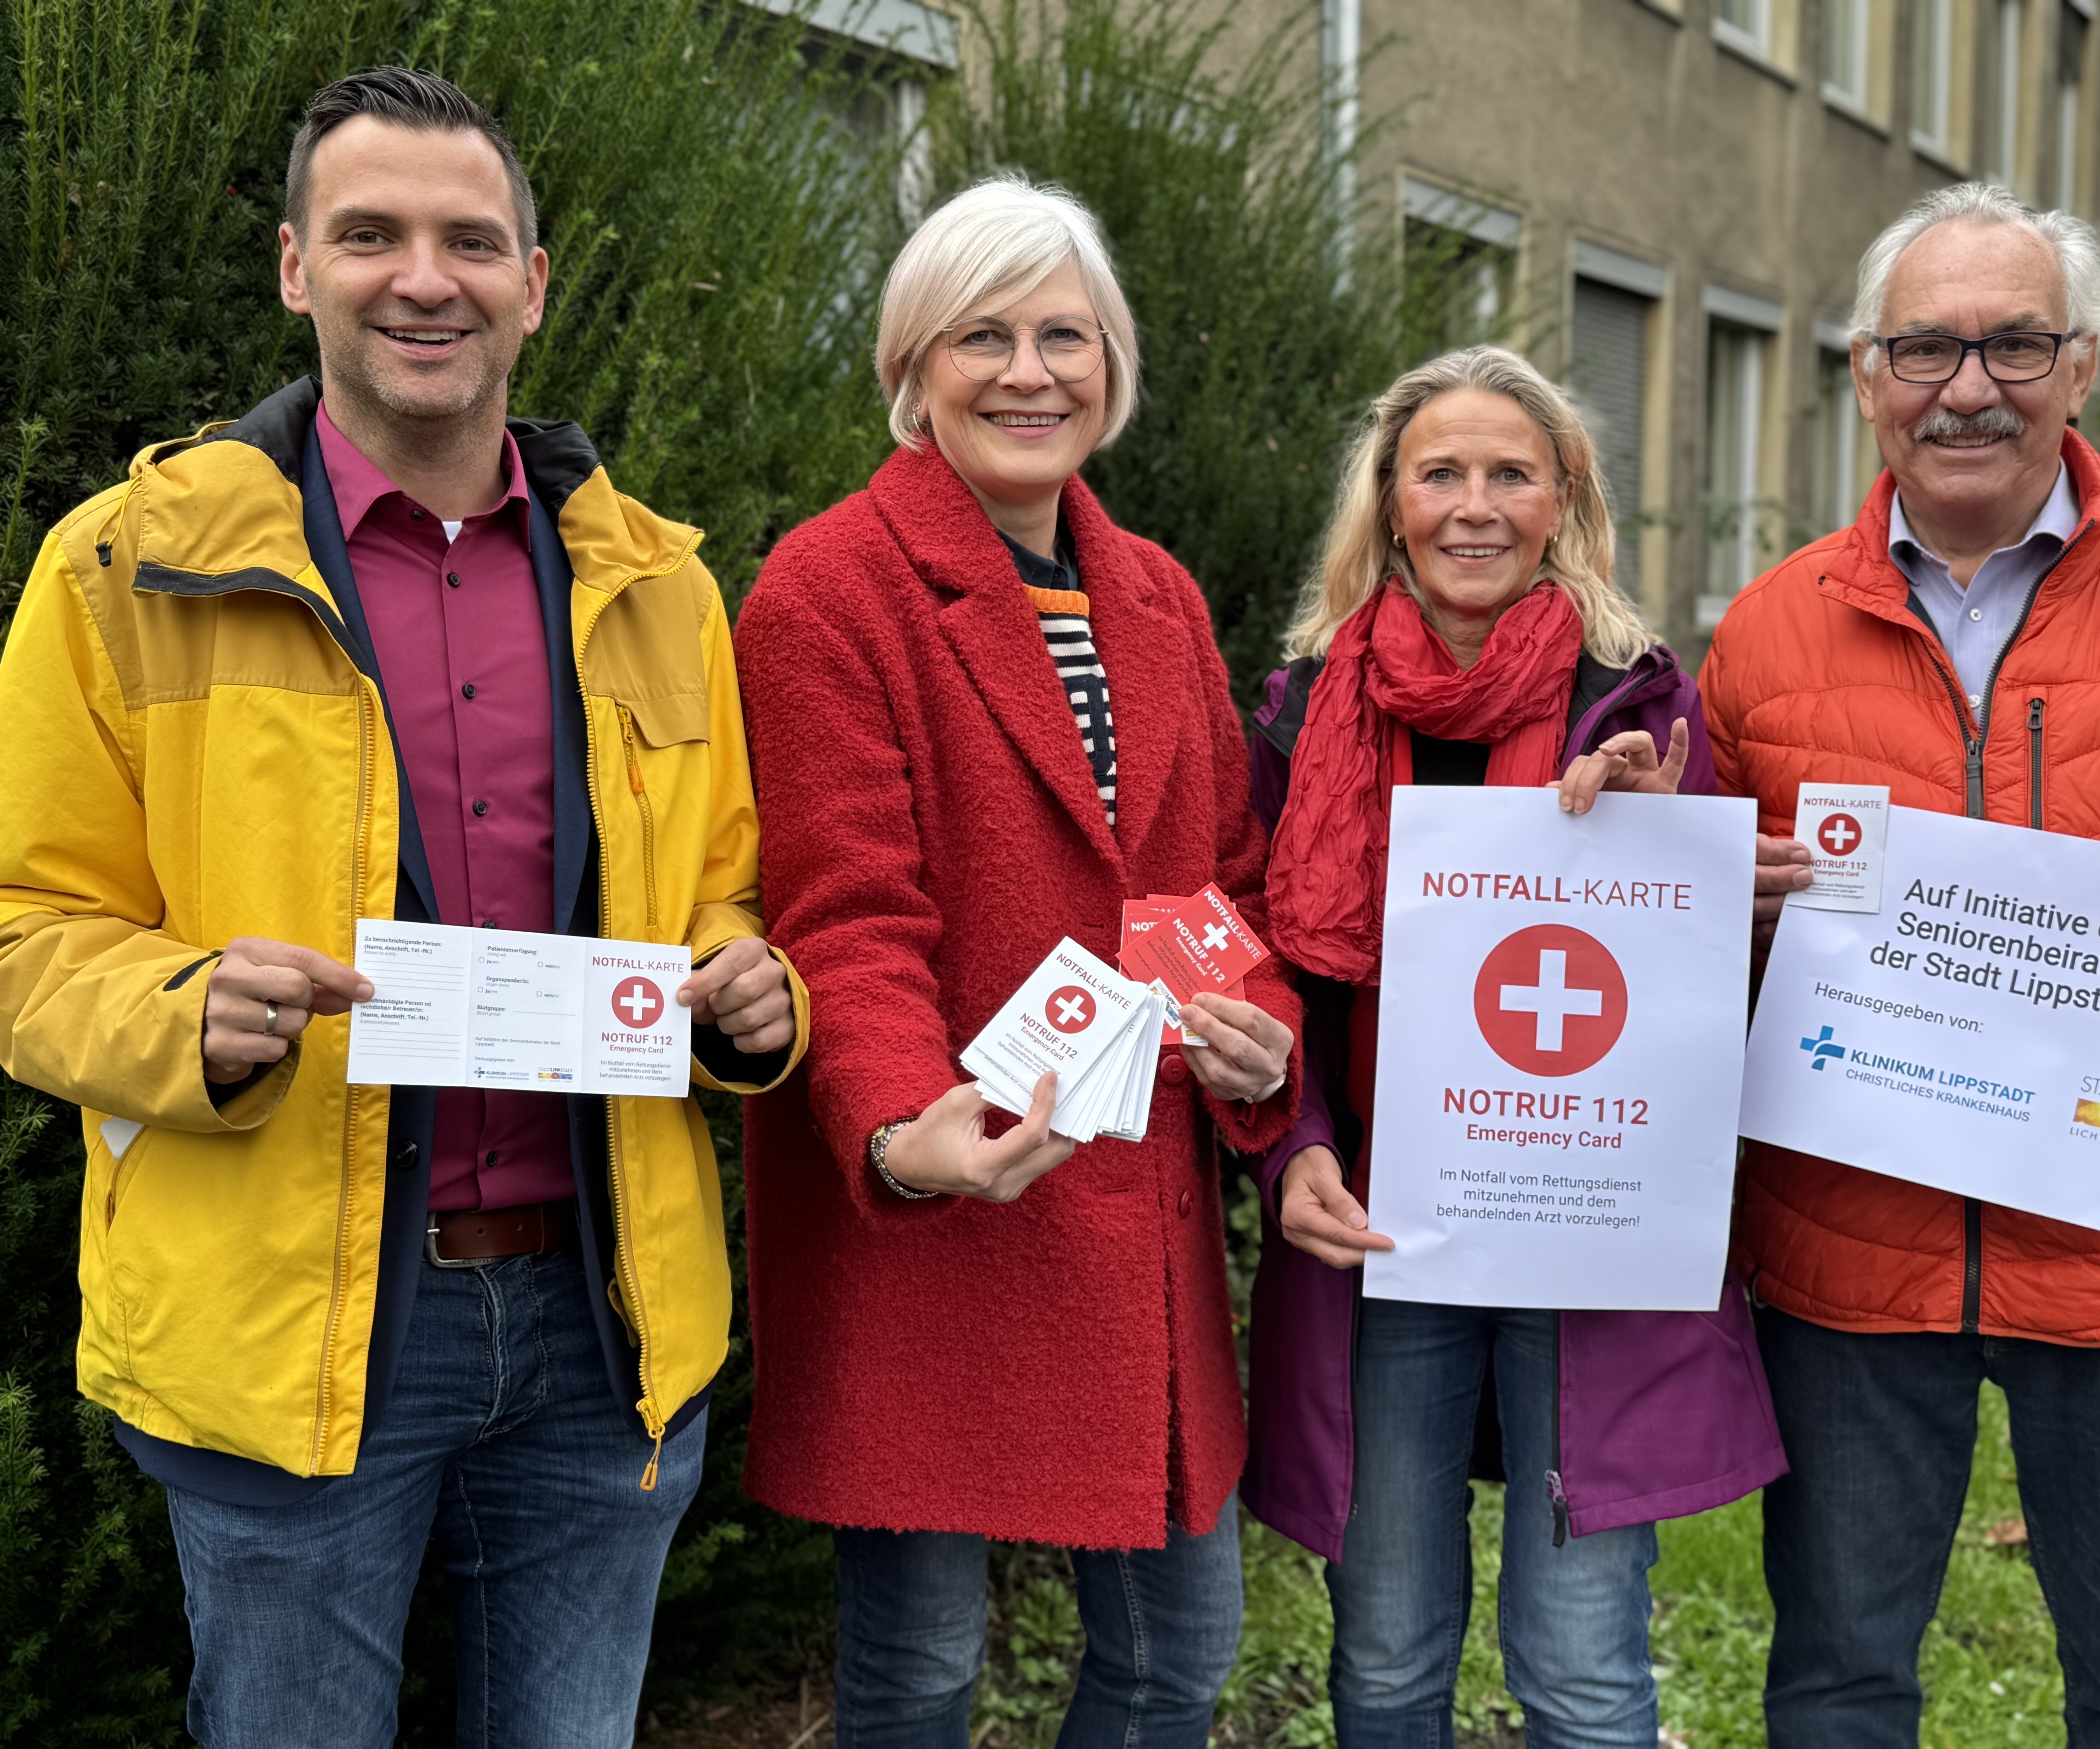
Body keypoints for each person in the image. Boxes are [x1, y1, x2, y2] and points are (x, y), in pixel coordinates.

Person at [0, 68, 806, 1746]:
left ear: (532, 282)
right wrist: (177, 1018)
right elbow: (26, 926)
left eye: (468, 239)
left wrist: (748, 990)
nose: (421, 277)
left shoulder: (661, 587)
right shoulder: (118, 571)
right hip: (290, 1329)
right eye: (369, 233)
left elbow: (723, 886)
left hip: (608, 1332)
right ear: (297, 268)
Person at [1703, 182, 2100, 1748]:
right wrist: (1723, 895)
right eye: (1925, 347)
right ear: (1865, 374)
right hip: (1854, 1254)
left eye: (2013, 344)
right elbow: (1690, 935)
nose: (1967, 387)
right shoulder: (1769, 631)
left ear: (2084, 367)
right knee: (1837, 1682)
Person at [732, 176, 1301, 1749]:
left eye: (1068, 333)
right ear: (915, 366)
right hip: (941, 1195)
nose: (1032, 371)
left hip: (1135, 1205)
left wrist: (1254, 1029)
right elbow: (846, 910)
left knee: (1179, 1657)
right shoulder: (829, 588)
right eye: (986, 334)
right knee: (917, 1678)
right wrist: (906, 1124)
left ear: (1112, 368)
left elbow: (1219, 889)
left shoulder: (1159, 596)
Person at [1244, 345, 1786, 1749]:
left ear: (1564, 500)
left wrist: (1670, 845)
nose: (1473, 505)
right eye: (1441, 472)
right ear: (1391, 499)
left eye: (1510, 473)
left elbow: (1704, 998)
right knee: (1384, 1656)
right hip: (1382, 1234)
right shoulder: (1303, 707)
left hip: (1585, 1234)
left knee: (1588, 1669)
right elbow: (1255, 958)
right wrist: (1294, 1143)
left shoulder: (1646, 705)